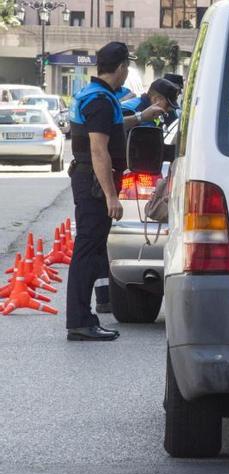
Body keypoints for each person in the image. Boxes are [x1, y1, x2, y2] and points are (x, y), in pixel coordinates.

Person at [66, 42, 165, 342]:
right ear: (121, 68)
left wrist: (143, 116)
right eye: (127, 67)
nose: (127, 73)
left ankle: (84, 318)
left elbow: (115, 127)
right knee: (87, 251)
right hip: (95, 183)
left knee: (91, 250)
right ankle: (80, 321)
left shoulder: (96, 95)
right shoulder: (99, 100)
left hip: (89, 180)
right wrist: (111, 196)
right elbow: (98, 150)